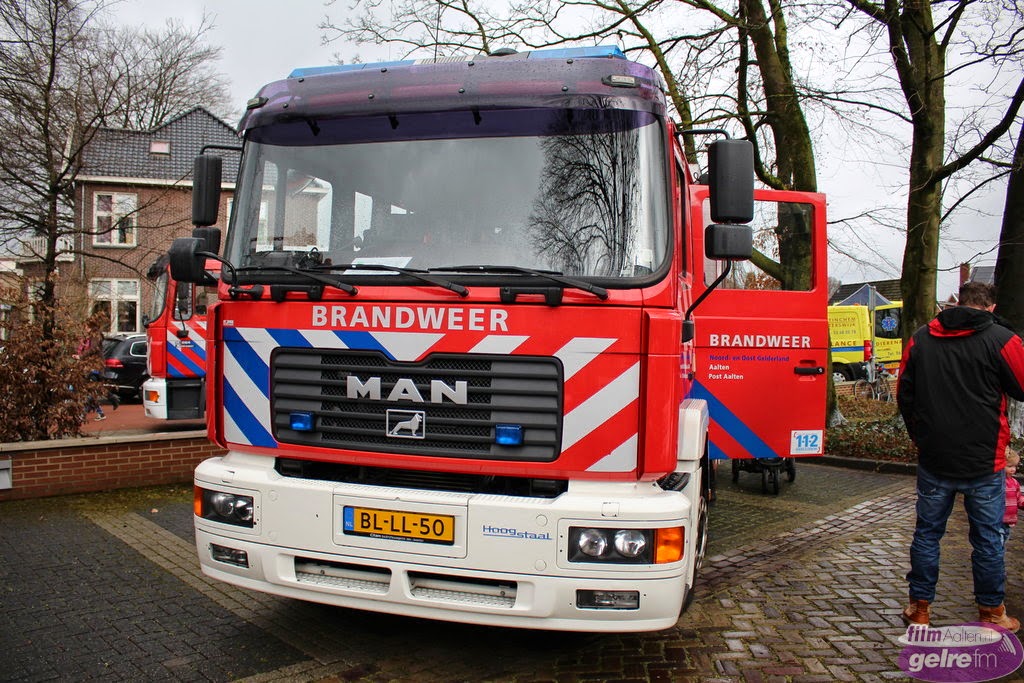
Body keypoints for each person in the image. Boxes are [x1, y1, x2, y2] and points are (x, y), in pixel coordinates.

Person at [897, 281, 1024, 631]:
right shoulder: (1001, 339)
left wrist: (920, 437)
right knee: (988, 539)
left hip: (935, 456)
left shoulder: (921, 339)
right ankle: (991, 611)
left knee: (927, 534)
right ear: (991, 307)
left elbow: (905, 393)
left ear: (959, 303)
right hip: (985, 459)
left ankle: (919, 608)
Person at [1001, 448, 1024, 547]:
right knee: (996, 546)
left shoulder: (1014, 482)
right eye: (1010, 466)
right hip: (998, 521)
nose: (1013, 469)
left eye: (1015, 466)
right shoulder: (998, 482)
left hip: (1009, 522)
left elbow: (1019, 498)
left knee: (1003, 545)